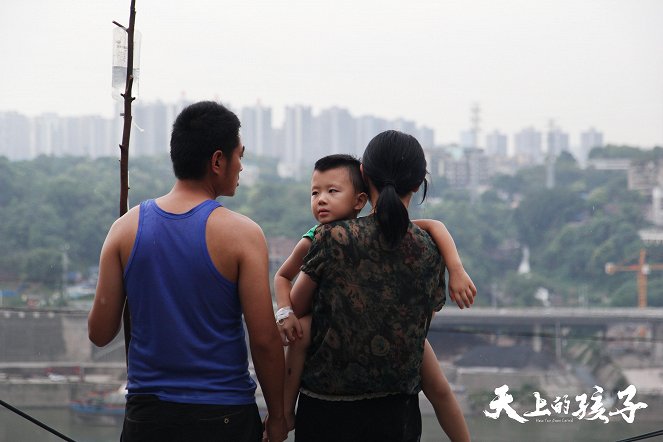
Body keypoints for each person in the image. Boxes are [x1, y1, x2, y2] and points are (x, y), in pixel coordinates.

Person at [88, 101, 288, 442]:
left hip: (147, 417)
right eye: (239, 155)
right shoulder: (243, 234)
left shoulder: (124, 230)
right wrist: (279, 416)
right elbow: (266, 340)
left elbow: (100, 333)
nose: (240, 166)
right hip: (224, 417)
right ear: (218, 161)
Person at [288, 131, 474, 441]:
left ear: (363, 175)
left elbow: (297, 307)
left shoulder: (334, 239)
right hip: (396, 418)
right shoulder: (428, 250)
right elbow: (416, 327)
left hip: (325, 417)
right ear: (418, 184)